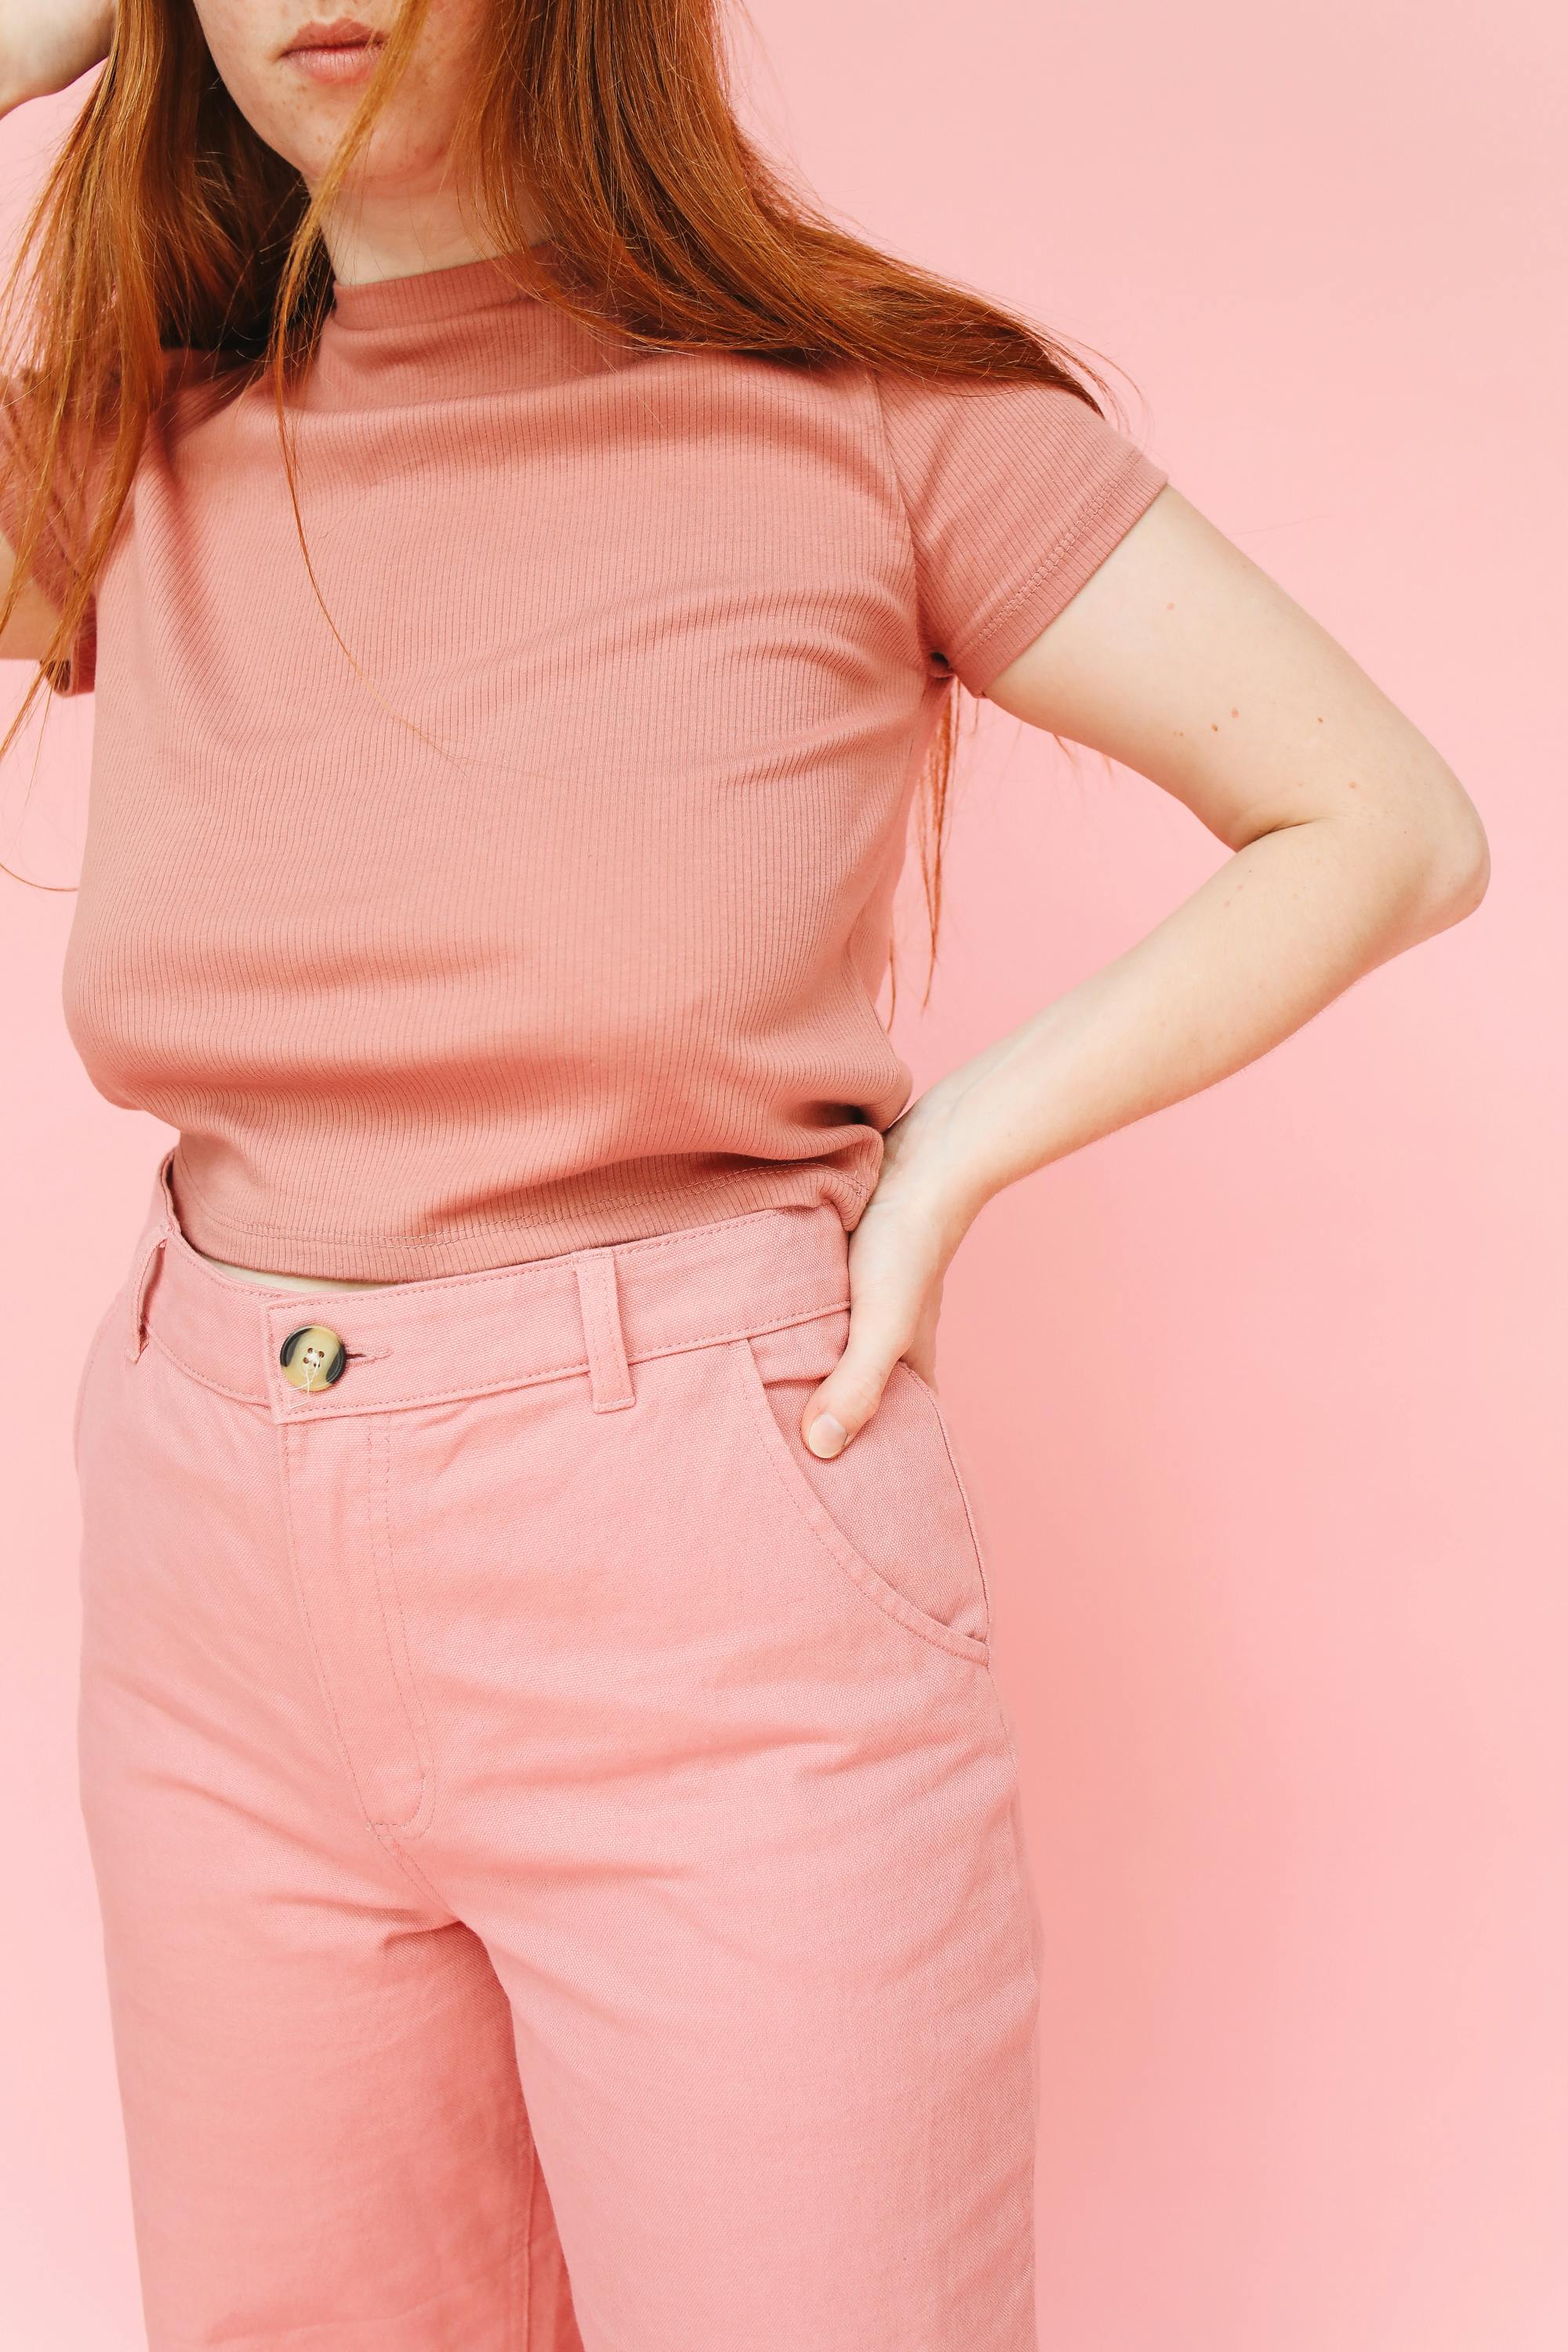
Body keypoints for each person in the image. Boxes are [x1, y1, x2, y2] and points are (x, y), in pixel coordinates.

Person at [0, 3, 1489, 2348]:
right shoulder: (132, 444)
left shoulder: (873, 417)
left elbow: (1383, 823)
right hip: (206, 1565)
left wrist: (951, 1157)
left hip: (703, 1555)